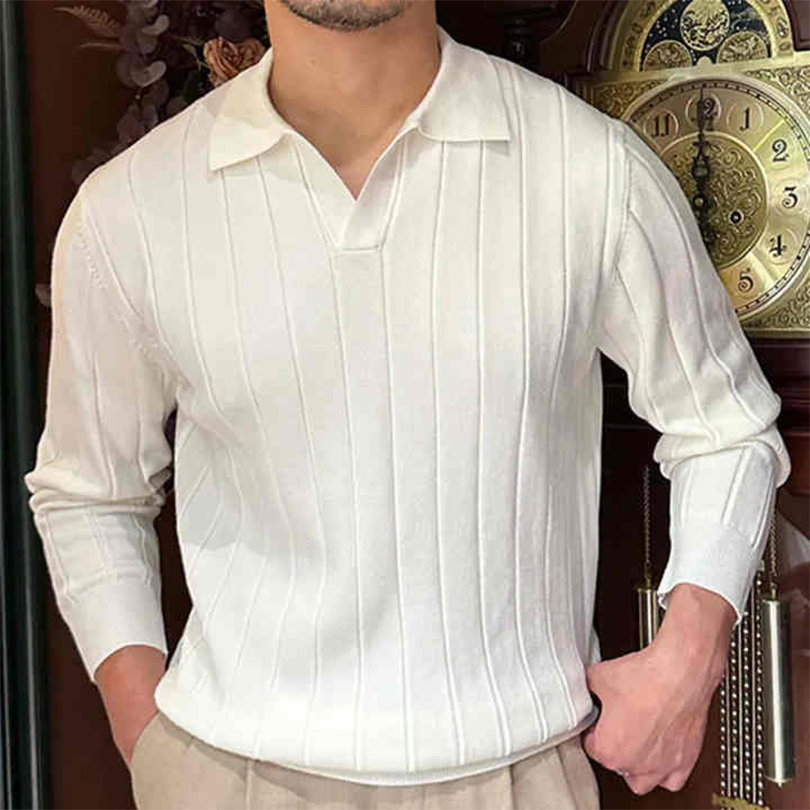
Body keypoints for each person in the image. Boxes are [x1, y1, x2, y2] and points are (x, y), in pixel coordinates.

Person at [23, 0, 791, 807]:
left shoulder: (592, 169)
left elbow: (725, 424)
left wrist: (689, 659)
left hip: (517, 775)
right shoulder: (131, 210)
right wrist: (146, 738)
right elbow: (89, 490)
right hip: (228, 771)